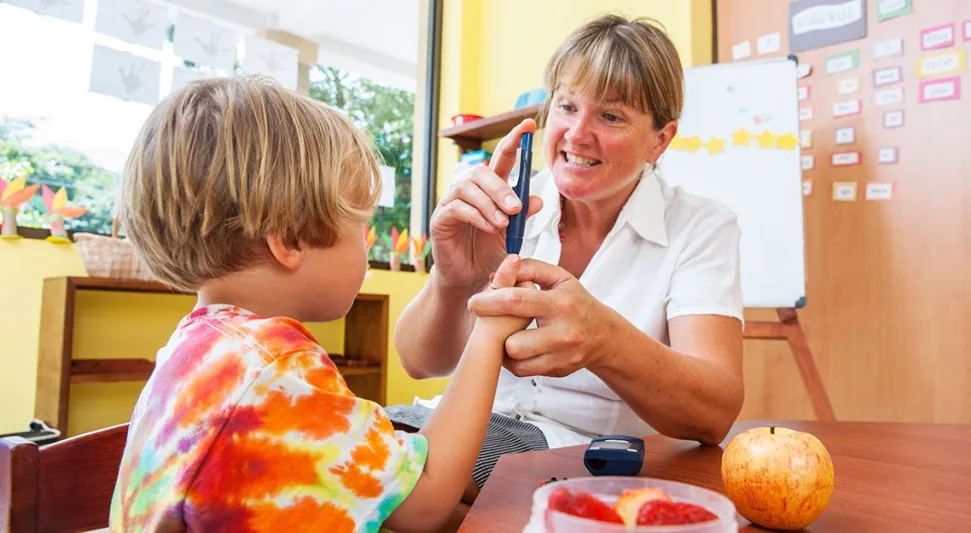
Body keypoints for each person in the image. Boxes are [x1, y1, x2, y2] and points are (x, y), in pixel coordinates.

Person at [109, 75, 534, 533]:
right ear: (291, 240)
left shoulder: (195, 349)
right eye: (361, 225)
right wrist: (489, 332)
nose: (365, 252)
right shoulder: (277, 366)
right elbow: (424, 501)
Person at [391, 13, 746, 496]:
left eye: (611, 115)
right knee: (347, 444)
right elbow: (418, 362)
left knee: (390, 480)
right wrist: (451, 279)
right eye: (566, 106)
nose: (578, 134)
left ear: (659, 140)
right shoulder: (503, 205)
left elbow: (715, 414)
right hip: (459, 426)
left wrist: (605, 341)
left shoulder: (700, 226)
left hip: (581, 456)